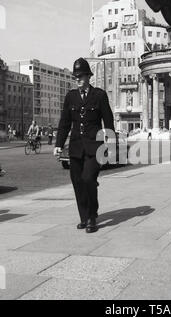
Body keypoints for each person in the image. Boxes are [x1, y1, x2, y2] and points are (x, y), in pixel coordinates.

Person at [53, 57, 115, 234]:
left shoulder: (99, 95)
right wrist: (58, 144)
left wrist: (109, 145)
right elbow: (65, 122)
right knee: (78, 182)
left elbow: (108, 121)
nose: (77, 79)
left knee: (88, 179)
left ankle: (92, 216)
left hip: (95, 147)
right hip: (76, 148)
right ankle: (84, 216)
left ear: (89, 76)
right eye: (75, 76)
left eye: (80, 76)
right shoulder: (70, 97)